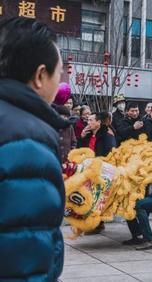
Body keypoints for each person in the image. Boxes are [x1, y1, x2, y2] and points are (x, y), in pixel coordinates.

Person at [0, 17, 66, 280]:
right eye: (59, 72)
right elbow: (24, 261)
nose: (59, 82)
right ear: (40, 75)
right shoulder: (27, 141)